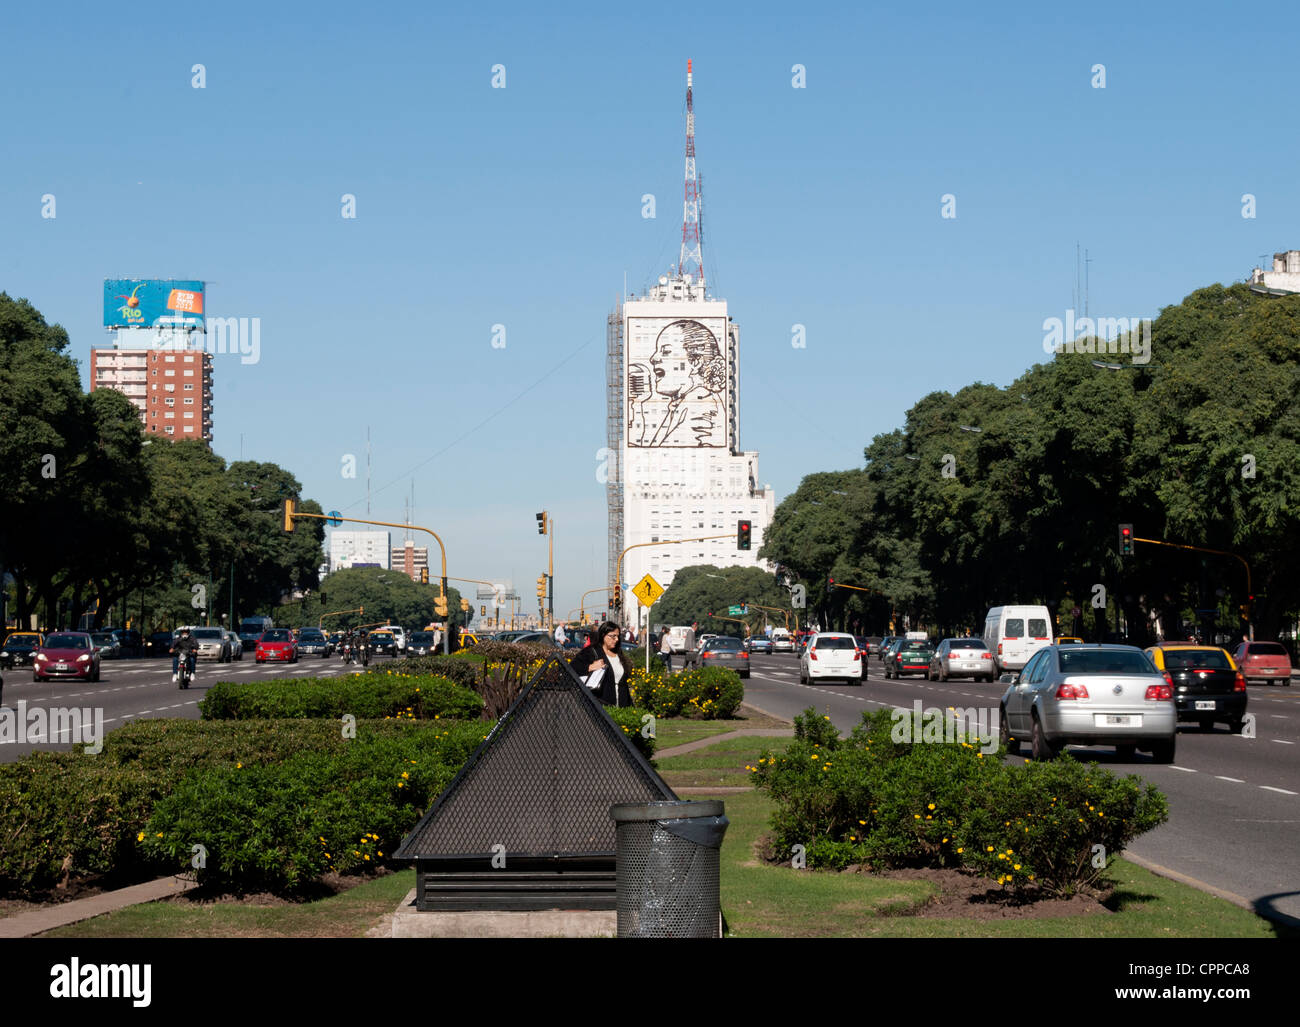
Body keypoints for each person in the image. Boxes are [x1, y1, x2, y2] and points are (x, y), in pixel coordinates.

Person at [568, 620, 633, 707]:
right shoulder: (591, 651)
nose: (616, 639)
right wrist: (590, 667)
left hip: (622, 705)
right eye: (613, 636)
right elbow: (571, 668)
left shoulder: (618, 653)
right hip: (601, 705)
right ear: (603, 636)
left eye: (618, 636)